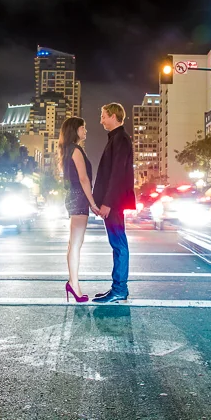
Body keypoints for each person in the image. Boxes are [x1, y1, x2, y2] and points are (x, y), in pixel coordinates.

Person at [91, 103, 136, 304]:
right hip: (113, 202)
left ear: (113, 116)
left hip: (114, 203)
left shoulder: (121, 140)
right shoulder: (116, 139)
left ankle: (119, 290)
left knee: (119, 245)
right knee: (117, 244)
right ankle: (117, 289)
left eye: (103, 116)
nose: (100, 120)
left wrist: (107, 202)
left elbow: (117, 174)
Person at [58, 117, 99, 303]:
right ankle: (74, 284)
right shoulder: (76, 150)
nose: (86, 131)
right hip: (79, 197)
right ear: (76, 130)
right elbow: (84, 179)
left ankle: (72, 283)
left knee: (73, 243)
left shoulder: (68, 150)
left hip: (74, 196)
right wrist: (92, 203)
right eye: (83, 128)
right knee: (75, 244)